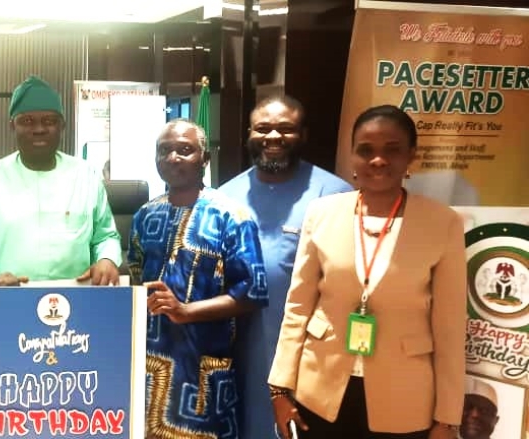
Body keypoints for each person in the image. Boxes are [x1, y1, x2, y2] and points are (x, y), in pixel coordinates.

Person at [268, 105, 466, 439]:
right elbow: (298, 308)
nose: (378, 160)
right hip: (319, 392)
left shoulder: (442, 223)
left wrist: (447, 419)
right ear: (352, 156)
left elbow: (449, 328)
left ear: (410, 157)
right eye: (366, 151)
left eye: (392, 150)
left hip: (404, 399)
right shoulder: (322, 213)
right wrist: (279, 390)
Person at [218, 95, 353, 439]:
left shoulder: (336, 195)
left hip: (312, 351)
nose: (273, 137)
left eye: (286, 129)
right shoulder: (224, 197)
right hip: (244, 348)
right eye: (263, 128)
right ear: (248, 134)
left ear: (303, 134)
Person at [128, 119, 268, 438]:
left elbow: (252, 293)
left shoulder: (232, 217)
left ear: (204, 160)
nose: (174, 157)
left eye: (185, 150)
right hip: (149, 364)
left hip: (204, 368)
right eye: (165, 151)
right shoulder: (145, 215)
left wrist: (186, 312)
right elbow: (138, 281)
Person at [0, 75, 121, 286]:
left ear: (62, 125)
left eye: (49, 121)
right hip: (6, 304)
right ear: (12, 125)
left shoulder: (86, 176)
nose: (39, 129)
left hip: (75, 306)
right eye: (27, 121)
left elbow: (106, 236)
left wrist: (107, 258)